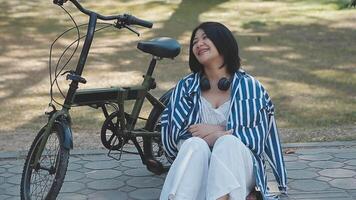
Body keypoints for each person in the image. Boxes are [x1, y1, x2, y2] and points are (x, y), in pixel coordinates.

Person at [159, 22, 287, 200]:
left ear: (223, 42)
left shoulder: (250, 86)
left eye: (205, 38)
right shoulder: (186, 86)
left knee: (227, 143)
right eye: (194, 41)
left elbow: (257, 139)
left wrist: (218, 133)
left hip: (239, 166)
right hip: (198, 168)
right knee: (193, 145)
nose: (198, 44)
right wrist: (207, 138)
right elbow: (172, 136)